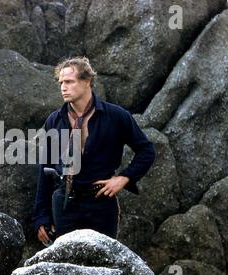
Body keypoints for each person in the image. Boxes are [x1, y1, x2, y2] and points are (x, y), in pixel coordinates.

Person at [33, 57, 155, 246]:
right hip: (64, 202)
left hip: (101, 202)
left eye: (69, 82)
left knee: (103, 264)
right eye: (61, 83)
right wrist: (41, 216)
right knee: (67, 266)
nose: (63, 87)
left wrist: (124, 178)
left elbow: (146, 150)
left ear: (87, 81)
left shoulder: (115, 116)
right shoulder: (55, 120)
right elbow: (45, 167)